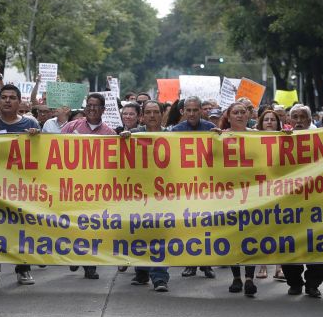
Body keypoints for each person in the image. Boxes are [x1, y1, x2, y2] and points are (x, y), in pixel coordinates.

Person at [0, 84, 41, 290]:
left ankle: (23, 268)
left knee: (21, 229)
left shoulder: (30, 124)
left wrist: (37, 138)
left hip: (22, 188)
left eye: (12, 97)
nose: (7, 100)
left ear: (19, 102)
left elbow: (41, 155)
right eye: (3, 97)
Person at [62, 93, 118, 280]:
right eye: (89, 105)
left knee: (92, 226)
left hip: (96, 189)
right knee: (74, 224)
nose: (92, 109)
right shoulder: (71, 127)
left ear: (103, 110)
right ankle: (75, 255)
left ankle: (90, 265)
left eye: (96, 106)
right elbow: (54, 146)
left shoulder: (109, 134)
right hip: (73, 186)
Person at [122, 101, 170, 292]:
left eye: (155, 112)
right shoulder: (134, 134)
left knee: (159, 234)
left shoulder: (172, 135)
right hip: (138, 193)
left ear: (162, 114)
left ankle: (160, 277)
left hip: (163, 193)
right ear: (142, 115)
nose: (152, 115)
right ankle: (141, 271)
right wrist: (124, 138)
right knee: (140, 232)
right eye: (148, 112)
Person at [281, 105, 323, 298]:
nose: (298, 121)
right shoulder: (279, 140)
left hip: (314, 200)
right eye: (295, 117)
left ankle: (313, 284)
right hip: (288, 202)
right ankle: (294, 282)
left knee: (316, 243)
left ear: (309, 120)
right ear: (289, 121)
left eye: (302, 117)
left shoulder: (321, 138)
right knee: (289, 242)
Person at [172, 97, 216, 279]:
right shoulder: (176, 131)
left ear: (201, 111)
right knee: (189, 225)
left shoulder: (211, 129)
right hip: (186, 185)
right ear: (183, 111)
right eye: (188, 110)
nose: (191, 113)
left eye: (195, 110)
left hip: (207, 185)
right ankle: (190, 263)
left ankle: (207, 264)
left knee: (206, 225)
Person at [218, 102, 257, 296]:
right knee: (233, 234)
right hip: (229, 193)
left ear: (248, 115)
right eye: (236, 112)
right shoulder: (220, 136)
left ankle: (249, 278)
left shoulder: (258, 136)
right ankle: (236, 277)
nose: (240, 115)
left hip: (253, 192)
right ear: (229, 115)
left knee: (251, 234)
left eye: (243, 112)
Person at [255, 110, 286, 281]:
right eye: (266, 119)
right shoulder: (252, 139)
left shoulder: (285, 138)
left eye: (272, 120)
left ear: (277, 123)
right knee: (263, 228)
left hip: (280, 190)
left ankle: (279, 267)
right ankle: (263, 265)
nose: (269, 122)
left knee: (278, 228)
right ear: (260, 123)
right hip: (259, 190)